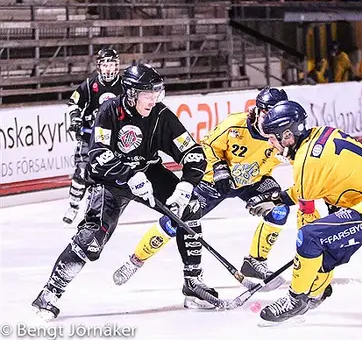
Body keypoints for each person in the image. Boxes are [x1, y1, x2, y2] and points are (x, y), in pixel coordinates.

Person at [32, 64, 220, 321]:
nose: (154, 99)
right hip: (111, 180)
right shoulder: (109, 111)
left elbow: (194, 154)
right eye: (148, 94)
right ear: (131, 93)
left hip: (149, 172)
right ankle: (49, 293)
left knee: (190, 209)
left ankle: (193, 283)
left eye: (157, 93)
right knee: (91, 240)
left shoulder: (160, 115)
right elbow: (97, 155)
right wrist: (129, 175)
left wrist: (186, 186)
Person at [244, 100, 362, 323]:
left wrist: (303, 253)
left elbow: (308, 216)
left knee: (311, 236)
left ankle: (296, 299)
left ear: (287, 136)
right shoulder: (322, 133)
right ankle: (316, 291)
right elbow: (323, 181)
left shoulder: (306, 162)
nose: (272, 145)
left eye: (273, 138)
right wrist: (278, 198)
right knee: (324, 245)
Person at [112, 87, 291, 290]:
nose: (270, 121)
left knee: (279, 208)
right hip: (213, 182)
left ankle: (255, 261)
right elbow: (206, 145)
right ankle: (135, 260)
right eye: (266, 113)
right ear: (257, 110)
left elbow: (303, 165)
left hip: (254, 181)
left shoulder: (284, 135)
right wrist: (219, 167)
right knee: (176, 219)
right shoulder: (235, 124)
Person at [64, 48, 123, 224]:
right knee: (82, 171)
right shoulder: (90, 85)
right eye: (105, 64)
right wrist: (75, 118)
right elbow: (73, 102)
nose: (108, 68)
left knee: (107, 176)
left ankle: (101, 209)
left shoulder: (124, 86)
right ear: (99, 66)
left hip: (112, 140)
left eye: (111, 64)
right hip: (89, 136)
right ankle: (73, 206)